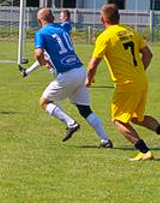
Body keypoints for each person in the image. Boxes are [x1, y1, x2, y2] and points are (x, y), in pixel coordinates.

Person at [86, 4, 160, 161]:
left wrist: (89, 80)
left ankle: (144, 151)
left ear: (102, 19)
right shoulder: (130, 32)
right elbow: (148, 55)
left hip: (126, 84)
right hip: (141, 80)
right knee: (137, 117)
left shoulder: (105, 36)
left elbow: (92, 65)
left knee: (118, 120)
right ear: (119, 18)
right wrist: (138, 72)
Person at [32, 8, 112, 147]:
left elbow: (38, 53)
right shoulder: (62, 29)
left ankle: (71, 123)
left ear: (39, 21)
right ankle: (105, 140)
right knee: (85, 110)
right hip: (81, 70)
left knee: (44, 102)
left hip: (67, 74)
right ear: (53, 19)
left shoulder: (41, 33)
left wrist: (43, 63)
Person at [20, 8, 73, 78]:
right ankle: (26, 72)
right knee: (44, 59)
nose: (60, 18)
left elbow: (56, 30)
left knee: (49, 63)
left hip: (58, 47)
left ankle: (59, 78)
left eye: (61, 16)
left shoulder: (66, 25)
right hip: (59, 46)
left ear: (65, 17)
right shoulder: (64, 25)